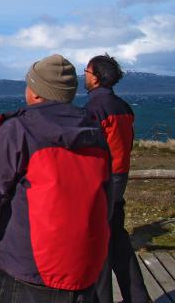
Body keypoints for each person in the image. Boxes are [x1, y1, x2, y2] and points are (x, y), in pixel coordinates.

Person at [0, 54, 111, 302]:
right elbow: (106, 197)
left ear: (37, 93)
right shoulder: (94, 133)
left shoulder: (19, 130)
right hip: (84, 266)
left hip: (30, 267)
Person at [84, 54, 151, 303]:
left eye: (87, 71)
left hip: (102, 181)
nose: (85, 76)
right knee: (118, 240)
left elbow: (89, 149)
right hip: (119, 178)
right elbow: (128, 143)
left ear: (97, 77)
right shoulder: (124, 107)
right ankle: (138, 297)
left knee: (98, 243)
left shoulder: (94, 109)